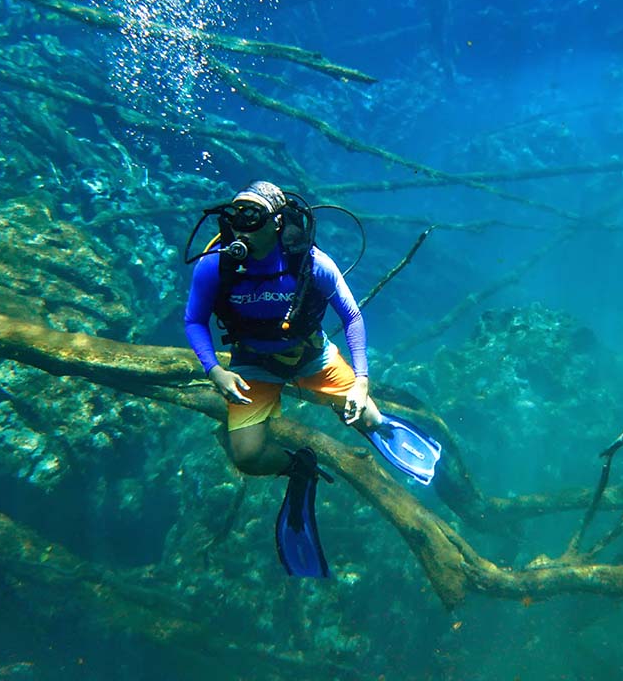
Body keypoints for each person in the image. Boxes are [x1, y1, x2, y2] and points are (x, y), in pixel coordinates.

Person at [183, 180, 439, 577]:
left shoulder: (312, 262)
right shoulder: (215, 265)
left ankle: (384, 428)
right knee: (249, 457)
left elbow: (351, 316)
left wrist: (361, 381)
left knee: (366, 417)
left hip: (310, 355)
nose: (242, 227)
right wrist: (214, 370)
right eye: (235, 216)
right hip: (251, 363)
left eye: (252, 217)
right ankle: (299, 468)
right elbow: (194, 320)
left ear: (277, 221)